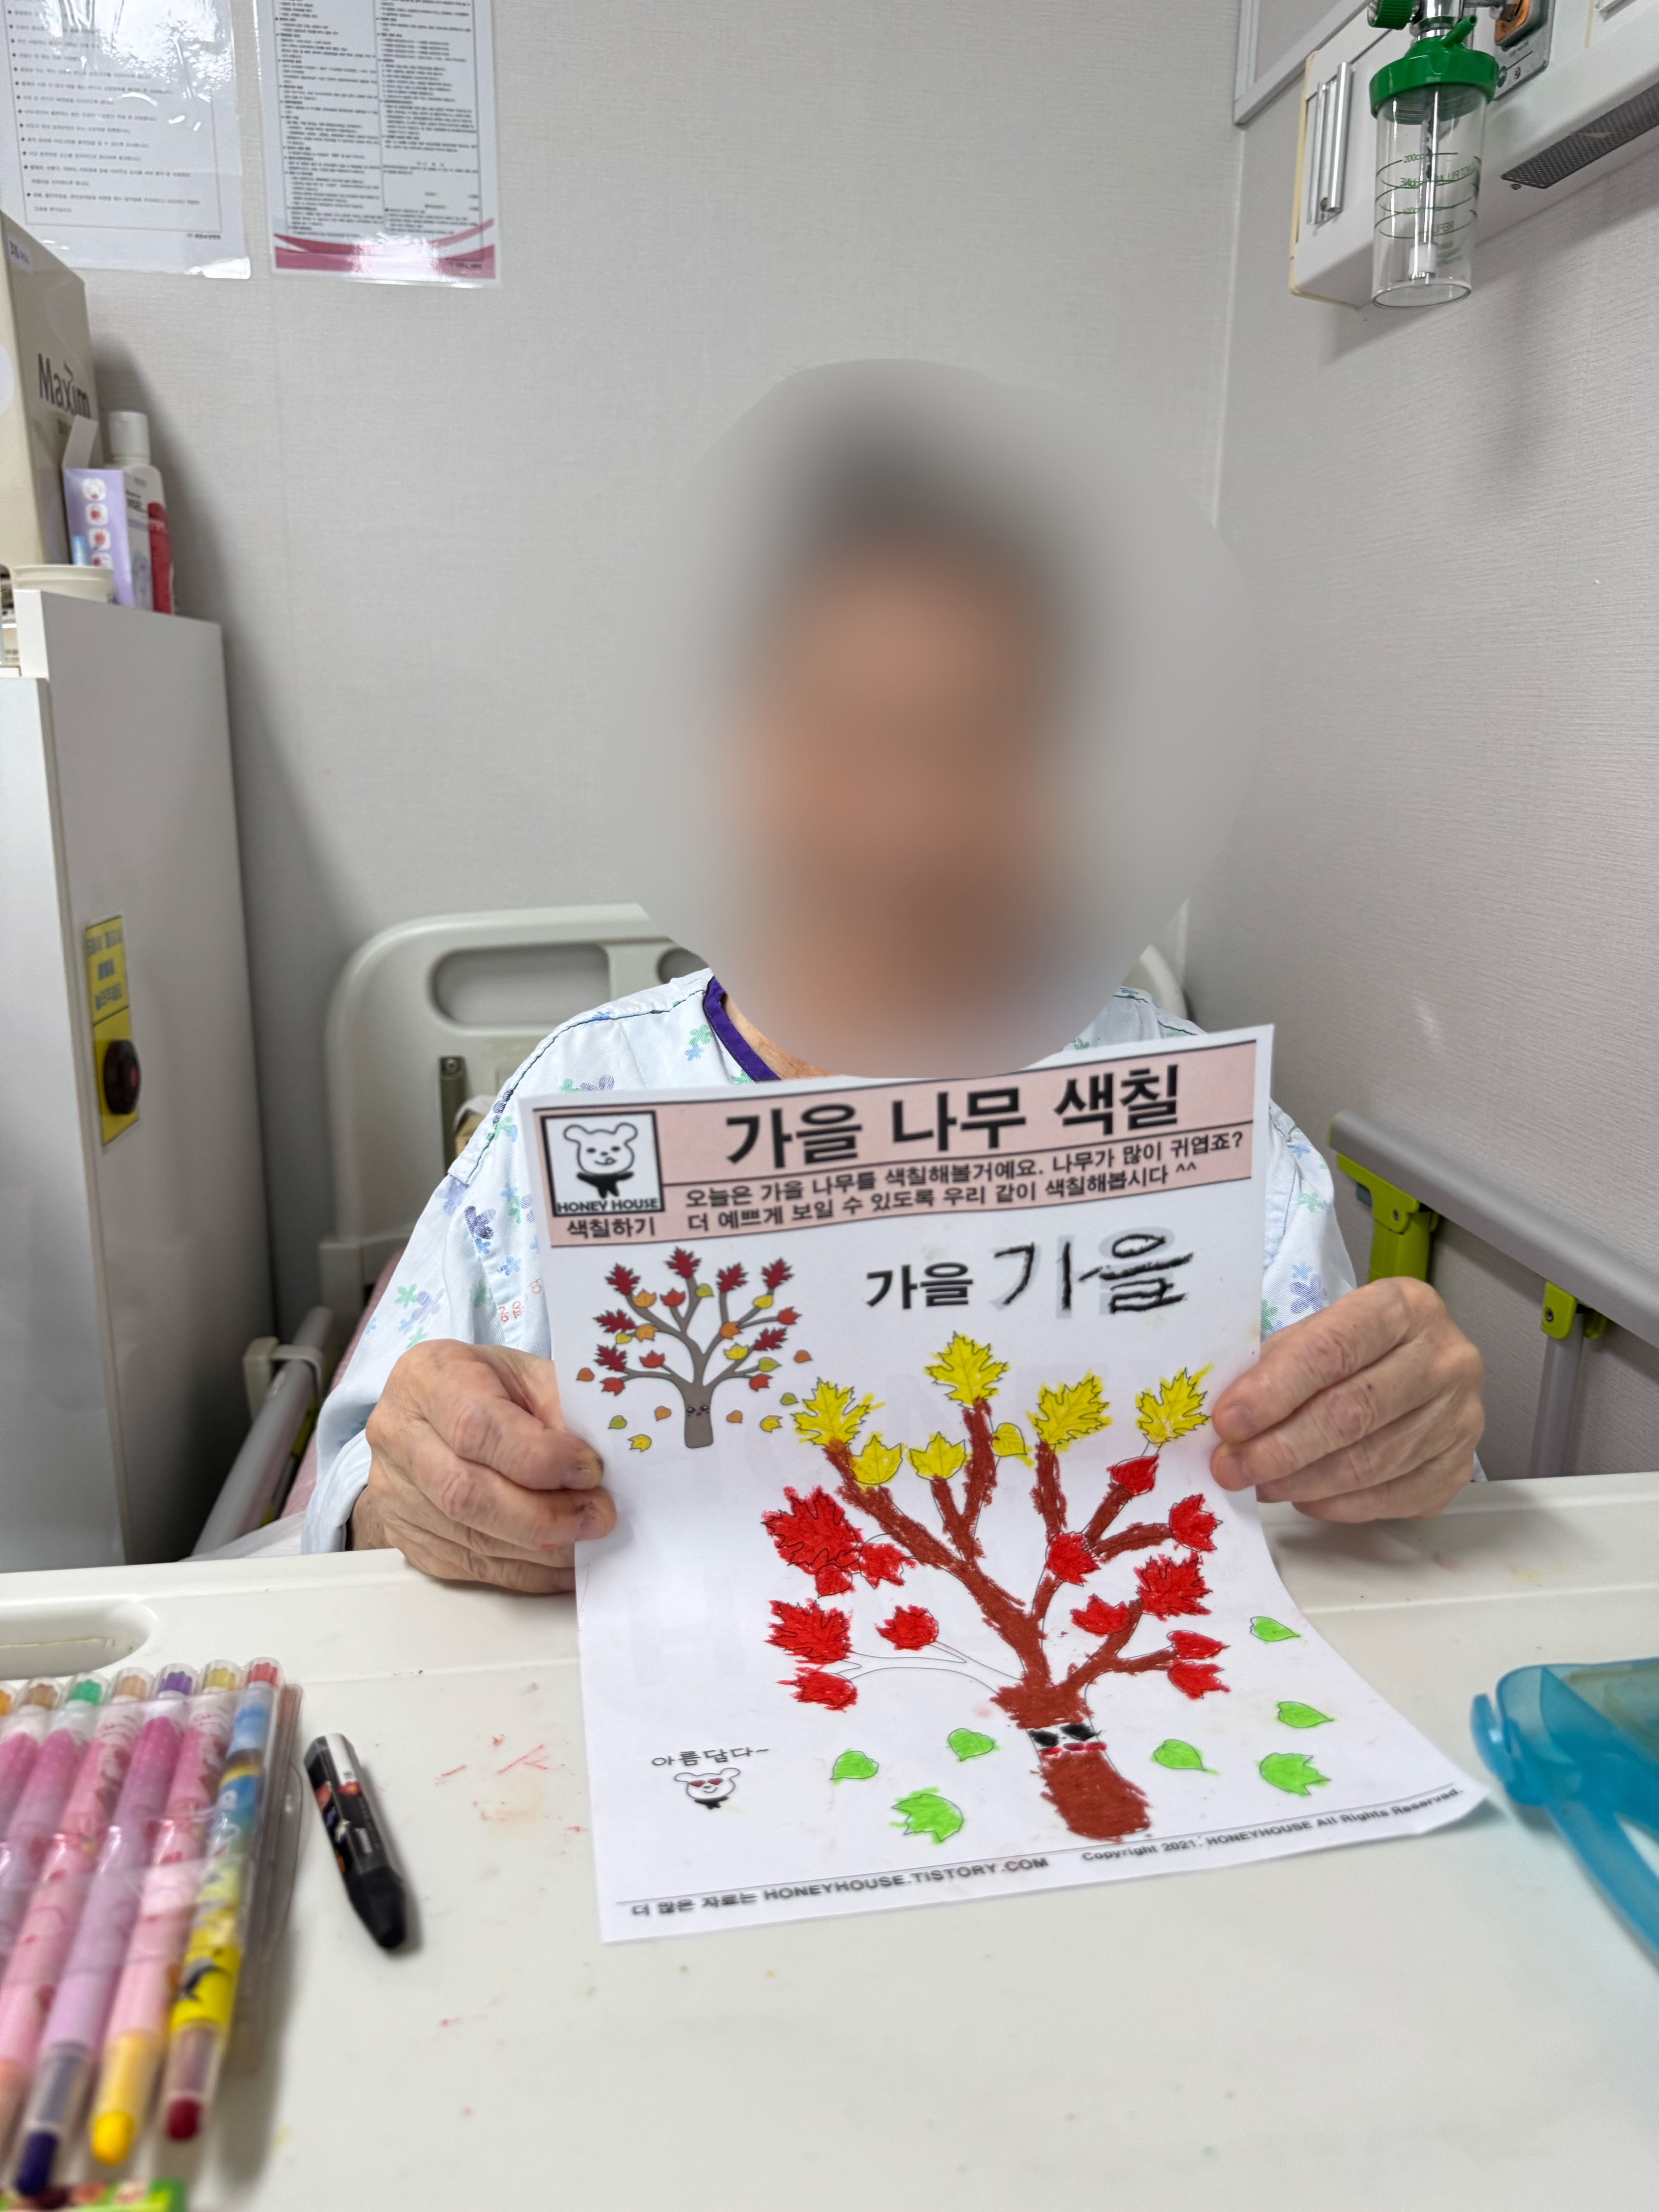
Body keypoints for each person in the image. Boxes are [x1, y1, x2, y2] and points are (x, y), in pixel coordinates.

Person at [305, 373, 1484, 1585]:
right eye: (849, 733)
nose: (913, 829)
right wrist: (416, 1498)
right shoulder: (585, 1102)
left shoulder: (1205, 1138)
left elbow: (1373, 1520)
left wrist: (1401, 1438)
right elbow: (357, 1501)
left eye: (992, 739)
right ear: (731, 753)